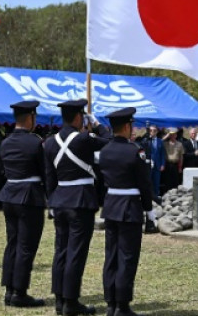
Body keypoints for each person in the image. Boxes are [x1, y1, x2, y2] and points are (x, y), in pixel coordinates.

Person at [44, 99, 109, 316]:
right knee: (76, 253)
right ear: (80, 117)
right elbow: (109, 140)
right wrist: (97, 124)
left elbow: (50, 177)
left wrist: (51, 202)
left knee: (60, 251)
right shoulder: (83, 139)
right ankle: (71, 302)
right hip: (80, 200)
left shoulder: (50, 142)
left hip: (59, 200)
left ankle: (60, 300)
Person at [98, 107, 154, 316]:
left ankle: (111, 303)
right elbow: (144, 184)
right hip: (129, 207)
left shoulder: (105, 151)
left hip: (111, 205)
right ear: (128, 126)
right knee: (127, 257)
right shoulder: (135, 151)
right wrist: (149, 211)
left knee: (111, 255)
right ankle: (122, 305)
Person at [0, 100, 47, 309]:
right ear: (30, 118)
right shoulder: (35, 142)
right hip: (29, 196)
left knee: (13, 243)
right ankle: (20, 292)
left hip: (9, 195)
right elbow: (44, 170)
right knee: (26, 246)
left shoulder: (6, 142)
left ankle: (9, 289)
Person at [161, 129, 183, 194]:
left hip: (176, 164)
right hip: (168, 164)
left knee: (175, 181)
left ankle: (175, 195)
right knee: (167, 181)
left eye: (174, 134)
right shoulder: (165, 143)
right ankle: (167, 195)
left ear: (176, 135)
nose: (172, 136)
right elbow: (159, 142)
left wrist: (180, 167)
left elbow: (181, 157)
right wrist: (166, 136)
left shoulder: (179, 144)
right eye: (171, 135)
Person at [148, 127, 165, 200]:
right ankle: (149, 197)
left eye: (154, 131)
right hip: (149, 165)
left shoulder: (160, 141)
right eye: (151, 130)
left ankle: (156, 196)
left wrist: (162, 164)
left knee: (156, 182)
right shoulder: (147, 141)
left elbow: (163, 154)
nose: (152, 132)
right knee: (148, 182)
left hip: (158, 165)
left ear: (157, 132)